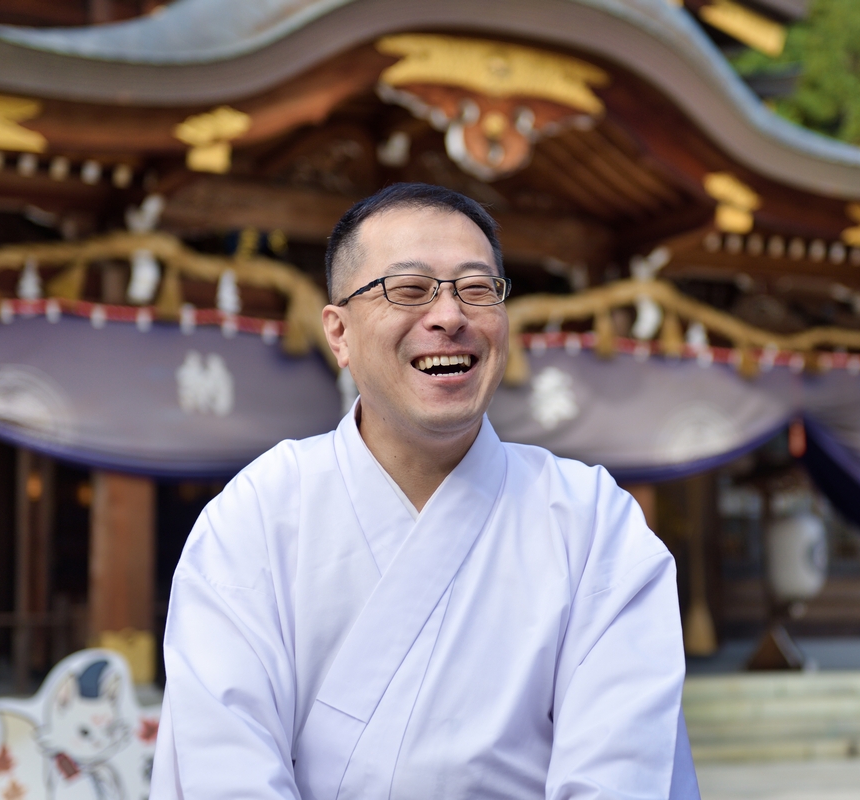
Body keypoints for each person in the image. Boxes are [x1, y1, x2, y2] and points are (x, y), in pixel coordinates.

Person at [149, 182, 699, 799]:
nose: (449, 316)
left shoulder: (592, 522)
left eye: (477, 289)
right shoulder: (255, 517)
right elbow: (223, 770)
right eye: (408, 290)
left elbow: (622, 771)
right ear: (339, 333)